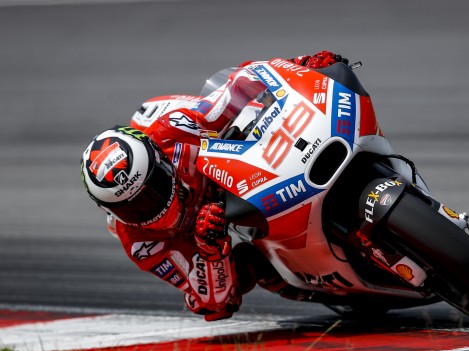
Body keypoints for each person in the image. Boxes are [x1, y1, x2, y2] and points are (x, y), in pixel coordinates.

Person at [80, 51, 348, 321]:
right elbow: (211, 302)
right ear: (112, 211)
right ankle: (340, 295)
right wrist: (211, 249)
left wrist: (300, 66)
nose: (153, 207)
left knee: (262, 107)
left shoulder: (174, 131)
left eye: (154, 188)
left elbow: (237, 87)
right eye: (134, 208)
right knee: (246, 270)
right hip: (219, 227)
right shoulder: (141, 243)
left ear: (161, 162)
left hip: (237, 169)